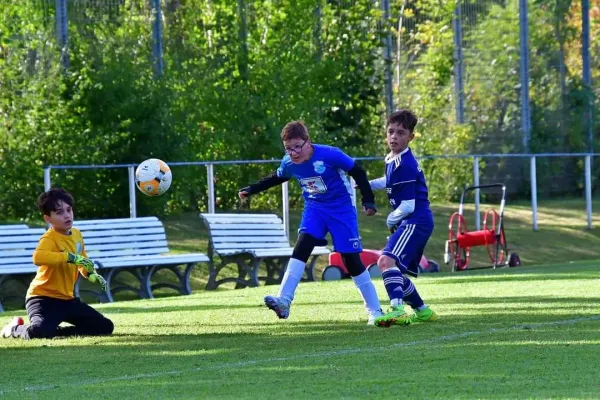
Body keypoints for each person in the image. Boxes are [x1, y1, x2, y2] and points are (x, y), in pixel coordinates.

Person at [239, 121, 384, 325]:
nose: (293, 152)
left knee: (350, 260)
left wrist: (368, 201)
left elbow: (357, 171)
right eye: (288, 148)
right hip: (315, 209)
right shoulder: (289, 163)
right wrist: (251, 189)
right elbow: (277, 177)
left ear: (308, 142)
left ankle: (375, 311)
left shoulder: (330, 154)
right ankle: (284, 300)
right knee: (302, 246)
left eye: (297, 146)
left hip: (341, 210)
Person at [1, 188, 114, 339]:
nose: (67, 215)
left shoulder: (77, 234)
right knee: (40, 331)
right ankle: (14, 328)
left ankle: (55, 332)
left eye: (69, 210)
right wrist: (68, 257)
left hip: (68, 300)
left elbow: (82, 261)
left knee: (105, 326)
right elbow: (38, 258)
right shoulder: (49, 238)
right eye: (59, 212)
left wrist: (91, 274)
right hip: (41, 299)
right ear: (48, 219)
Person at [369, 109, 438, 327]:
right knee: (396, 271)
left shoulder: (405, 164)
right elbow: (388, 181)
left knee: (385, 261)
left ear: (411, 137)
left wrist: (391, 219)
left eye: (400, 133)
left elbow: (408, 205)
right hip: (416, 221)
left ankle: (397, 309)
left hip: (415, 220)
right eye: (391, 132)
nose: (394, 137)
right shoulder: (394, 159)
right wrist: (362, 185)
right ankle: (422, 311)